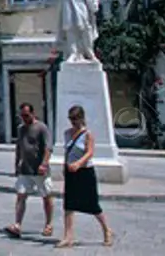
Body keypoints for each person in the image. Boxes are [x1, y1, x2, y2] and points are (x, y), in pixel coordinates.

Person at [56, 105, 113, 248]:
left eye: (75, 119)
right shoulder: (67, 133)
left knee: (92, 204)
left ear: (82, 118)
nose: (73, 122)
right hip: (71, 172)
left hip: (85, 171)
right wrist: (65, 166)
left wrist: (78, 164)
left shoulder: (88, 134)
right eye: (71, 119)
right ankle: (68, 237)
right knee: (69, 205)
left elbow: (89, 153)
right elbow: (66, 151)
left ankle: (107, 230)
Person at [5, 103, 54, 239]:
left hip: (39, 169)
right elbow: (19, 147)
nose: (24, 118)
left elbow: (48, 147)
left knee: (46, 196)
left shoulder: (41, 128)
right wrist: (16, 164)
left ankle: (48, 224)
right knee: (21, 195)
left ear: (32, 113)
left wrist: (44, 164)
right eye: (22, 116)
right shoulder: (21, 129)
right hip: (25, 169)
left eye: (26, 115)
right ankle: (17, 225)